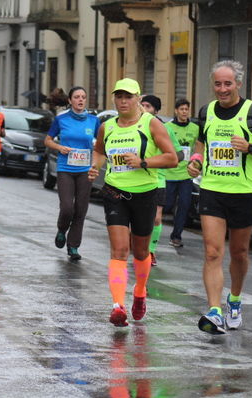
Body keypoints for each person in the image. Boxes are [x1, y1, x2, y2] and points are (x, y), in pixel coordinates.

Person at [188, 60, 252, 334]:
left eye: (228, 83)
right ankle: (215, 310)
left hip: (244, 192)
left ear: (238, 84)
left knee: (238, 252)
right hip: (212, 189)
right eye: (218, 83)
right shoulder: (206, 112)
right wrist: (195, 159)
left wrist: (250, 147)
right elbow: (202, 143)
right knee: (212, 251)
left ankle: (235, 299)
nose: (223, 89)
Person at [88, 78, 177, 327]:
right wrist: (96, 167)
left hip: (145, 194)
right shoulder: (107, 127)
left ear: (138, 98)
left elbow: (172, 158)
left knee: (140, 251)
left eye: (128, 96)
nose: (123, 101)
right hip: (115, 191)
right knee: (118, 251)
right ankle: (118, 305)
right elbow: (99, 151)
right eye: (119, 96)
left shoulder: (152, 124)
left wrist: (143, 162)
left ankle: (139, 291)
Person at [45, 86, 100, 261]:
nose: (80, 100)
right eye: (77, 97)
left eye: (83, 97)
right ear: (70, 100)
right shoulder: (61, 119)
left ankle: (73, 246)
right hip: (66, 169)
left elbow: (100, 146)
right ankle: (62, 229)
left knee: (81, 209)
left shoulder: (94, 120)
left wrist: (95, 164)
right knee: (67, 207)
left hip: (85, 170)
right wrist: (59, 147)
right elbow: (47, 140)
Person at [140, 94, 183, 266]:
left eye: (148, 106)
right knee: (138, 218)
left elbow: (179, 154)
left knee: (156, 218)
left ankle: (150, 251)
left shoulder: (165, 129)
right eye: (141, 105)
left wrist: (167, 161)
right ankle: (138, 247)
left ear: (156, 110)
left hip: (158, 179)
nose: (144, 109)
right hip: (136, 179)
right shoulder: (133, 126)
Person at [165, 99, 200, 247]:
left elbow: (198, 149)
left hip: (186, 174)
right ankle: (150, 230)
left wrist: (196, 164)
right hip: (169, 174)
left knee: (184, 205)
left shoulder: (195, 128)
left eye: (187, 109)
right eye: (182, 109)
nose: (184, 112)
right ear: (176, 111)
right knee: (166, 205)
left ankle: (176, 236)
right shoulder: (167, 127)